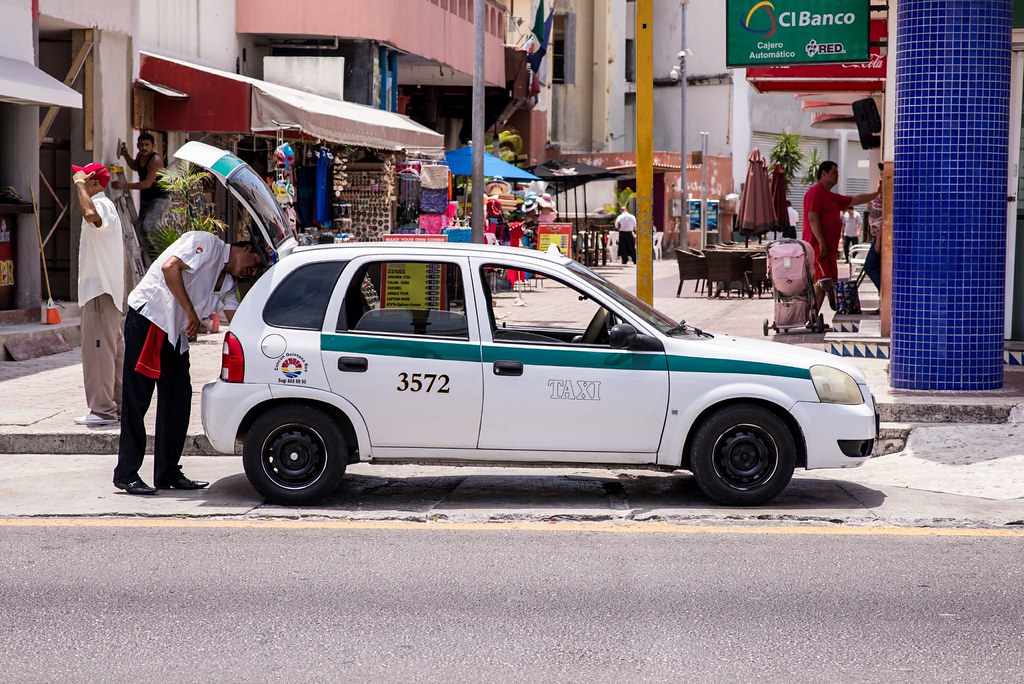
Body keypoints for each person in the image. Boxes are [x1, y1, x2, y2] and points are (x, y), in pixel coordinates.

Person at [112, 231, 263, 495]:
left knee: (179, 399)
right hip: (151, 318)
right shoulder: (207, 243)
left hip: (174, 333)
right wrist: (190, 312)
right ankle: (126, 473)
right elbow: (170, 268)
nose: (253, 271)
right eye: (256, 263)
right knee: (138, 399)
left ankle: (167, 472)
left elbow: (238, 321)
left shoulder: (228, 285)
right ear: (245, 248)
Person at [72, 162, 126, 427]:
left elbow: (90, 214)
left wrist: (80, 185)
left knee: (98, 352)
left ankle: (102, 410)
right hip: (106, 290)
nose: (77, 181)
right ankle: (116, 407)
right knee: (111, 352)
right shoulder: (109, 206)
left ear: (94, 182)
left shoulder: (102, 205)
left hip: (100, 291)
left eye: (83, 177)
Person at [803, 161, 881, 321]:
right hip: (819, 246)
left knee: (827, 281)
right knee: (824, 281)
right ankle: (822, 307)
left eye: (837, 173)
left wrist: (877, 193)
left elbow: (855, 199)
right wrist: (822, 242)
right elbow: (813, 218)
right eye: (833, 173)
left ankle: (813, 316)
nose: (837, 176)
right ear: (823, 174)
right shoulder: (815, 192)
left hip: (830, 248)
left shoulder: (832, 197)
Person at [113, 132, 170, 241]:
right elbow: (135, 166)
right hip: (147, 198)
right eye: (141, 144)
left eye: (147, 145)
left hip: (159, 199)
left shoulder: (155, 161)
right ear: (138, 145)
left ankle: (158, 254)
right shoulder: (140, 155)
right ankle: (146, 257)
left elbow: (147, 184)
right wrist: (125, 155)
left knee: (149, 226)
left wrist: (123, 185)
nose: (143, 147)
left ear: (153, 146)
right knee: (140, 228)